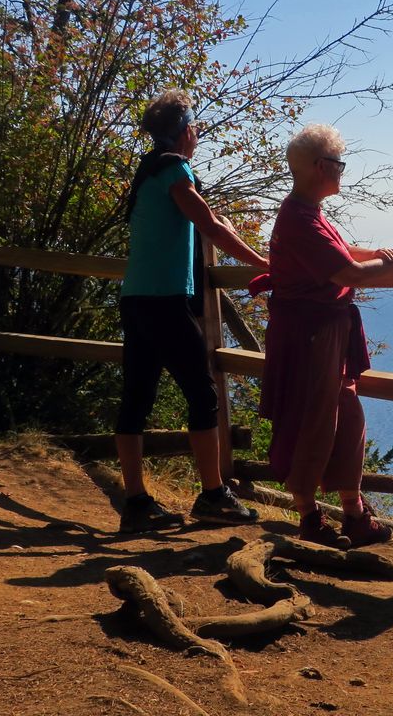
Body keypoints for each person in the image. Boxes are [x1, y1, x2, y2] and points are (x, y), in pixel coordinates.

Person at [115, 89, 269, 534]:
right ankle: (213, 495)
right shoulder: (176, 169)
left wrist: (223, 225)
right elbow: (206, 224)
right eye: (196, 127)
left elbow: (204, 217)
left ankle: (136, 502)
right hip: (164, 301)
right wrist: (261, 262)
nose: (197, 134)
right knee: (203, 396)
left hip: (137, 298)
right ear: (184, 131)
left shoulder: (150, 170)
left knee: (136, 399)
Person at [257, 123, 393, 548]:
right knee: (312, 421)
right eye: (339, 163)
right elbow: (346, 271)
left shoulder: (310, 213)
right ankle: (310, 521)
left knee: (346, 418)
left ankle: (354, 514)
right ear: (318, 167)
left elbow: (344, 253)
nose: (342, 171)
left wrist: (386, 254)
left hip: (325, 333)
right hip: (309, 336)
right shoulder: (298, 218)